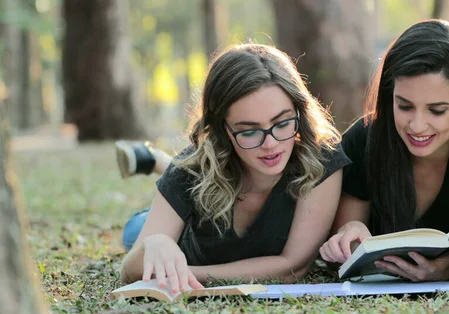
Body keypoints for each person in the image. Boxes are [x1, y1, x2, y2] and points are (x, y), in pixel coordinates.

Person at [119, 43, 351, 294]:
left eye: (282, 122)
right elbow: (129, 270)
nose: (271, 144)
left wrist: (184, 273)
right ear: (222, 130)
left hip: (192, 247)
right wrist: (155, 243)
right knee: (136, 232)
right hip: (182, 230)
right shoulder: (190, 170)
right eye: (249, 131)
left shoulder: (321, 156)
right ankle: (161, 165)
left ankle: (157, 162)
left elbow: (292, 268)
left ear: (299, 111)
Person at [319, 20, 449, 282]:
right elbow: (346, 250)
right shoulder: (364, 138)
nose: (417, 126)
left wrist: (448, 271)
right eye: (404, 106)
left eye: (437, 110)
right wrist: (350, 231)